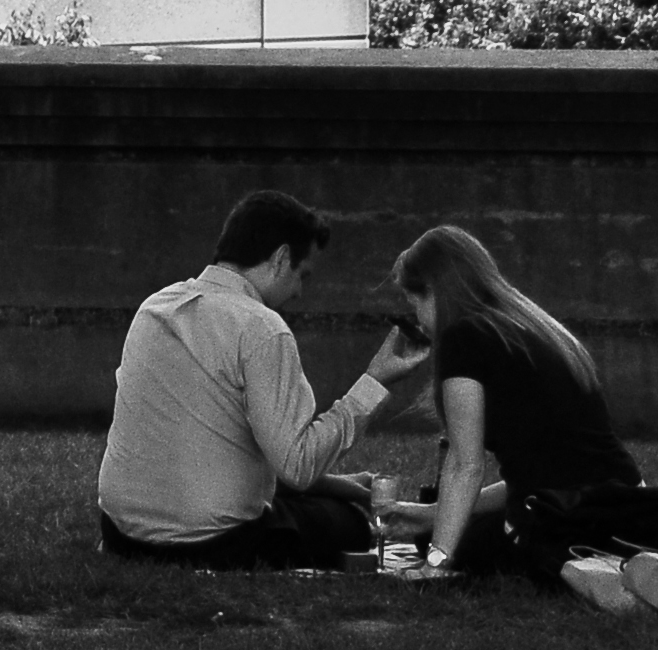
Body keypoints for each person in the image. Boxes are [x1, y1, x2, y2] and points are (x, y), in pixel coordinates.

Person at [393, 224, 658, 590]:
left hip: (563, 519)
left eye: (415, 304)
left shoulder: (465, 337)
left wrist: (435, 563)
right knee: (443, 526)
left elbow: (466, 464)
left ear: (434, 290)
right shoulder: (530, 327)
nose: (419, 322)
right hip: (625, 502)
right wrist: (428, 511)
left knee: (444, 541)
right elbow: (543, 469)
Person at [97, 191, 427, 569]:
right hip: (212, 544)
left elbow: (218, 454)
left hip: (122, 536)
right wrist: (375, 380)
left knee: (316, 502)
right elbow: (297, 466)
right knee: (350, 524)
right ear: (281, 258)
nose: (300, 292)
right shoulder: (261, 328)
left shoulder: (153, 308)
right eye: (301, 275)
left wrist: (341, 484)